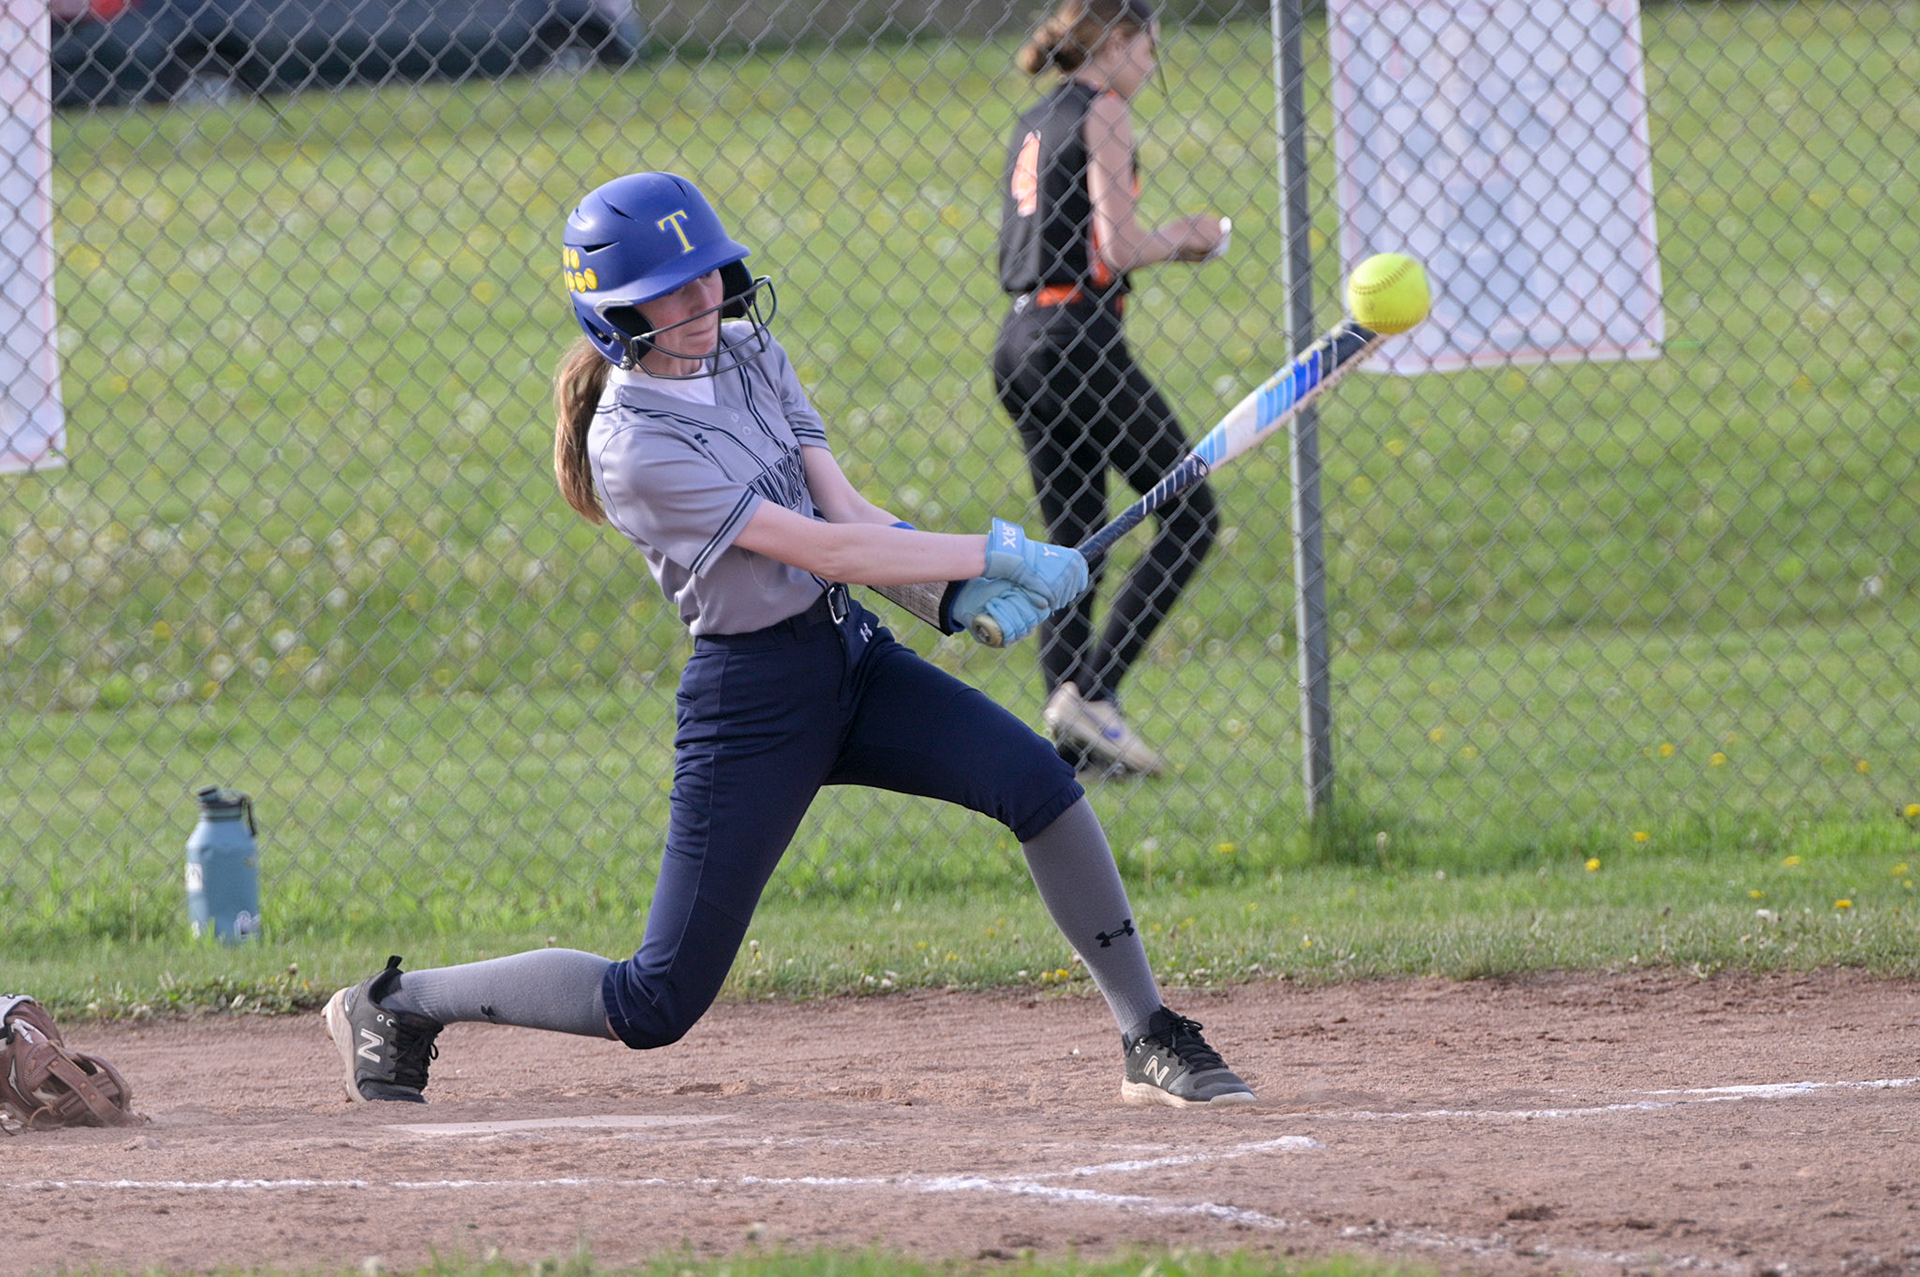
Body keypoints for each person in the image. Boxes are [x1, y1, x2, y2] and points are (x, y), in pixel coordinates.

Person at [322, 171, 1254, 1110]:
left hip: (850, 654)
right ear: (614, 314)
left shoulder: (749, 350)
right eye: (671, 290)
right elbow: (822, 546)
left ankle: (1148, 1032)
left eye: (711, 274)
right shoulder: (633, 448)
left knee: (1039, 785)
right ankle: (396, 1004)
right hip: (753, 698)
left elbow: (845, 510)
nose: (703, 300)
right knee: (655, 998)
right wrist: (998, 549)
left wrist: (954, 592)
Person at [992, 0, 1227, 778]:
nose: (1153, 65)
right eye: (1150, 48)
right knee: (1191, 513)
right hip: (1076, 340)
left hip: (1021, 341)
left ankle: (1072, 751)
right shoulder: (1106, 110)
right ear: (1118, 42)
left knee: (1077, 540)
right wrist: (1188, 237)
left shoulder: (1036, 118)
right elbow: (1118, 245)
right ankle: (1092, 694)